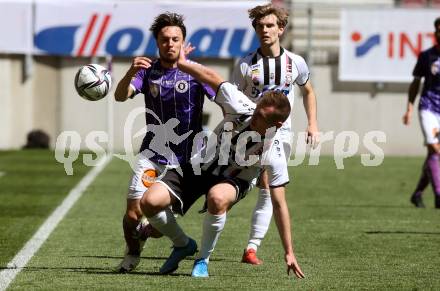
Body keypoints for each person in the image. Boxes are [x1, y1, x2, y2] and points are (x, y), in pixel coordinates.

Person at [139, 43, 306, 279]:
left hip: (232, 180)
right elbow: (213, 77)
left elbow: (279, 204)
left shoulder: (275, 151)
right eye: (257, 110)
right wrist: (184, 63)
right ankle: (183, 244)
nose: (255, 115)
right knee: (149, 202)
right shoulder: (241, 106)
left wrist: (289, 252)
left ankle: (202, 260)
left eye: (261, 116)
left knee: (217, 197)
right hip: (199, 166)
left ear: (277, 125)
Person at [113, 12, 214, 273]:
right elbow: (120, 96)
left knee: (156, 224)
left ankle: (178, 242)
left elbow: (223, 96)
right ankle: (132, 255)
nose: (170, 44)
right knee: (132, 215)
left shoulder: (196, 72)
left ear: (183, 42)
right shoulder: (147, 72)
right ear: (157, 42)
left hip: (187, 161)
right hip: (154, 153)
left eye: (175, 39)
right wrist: (131, 71)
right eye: (164, 39)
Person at [231, 3, 319, 264]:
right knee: (229, 185)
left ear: (281, 29)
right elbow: (232, 99)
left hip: (280, 134)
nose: (264, 30)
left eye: (269, 25)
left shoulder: (296, 63)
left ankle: (252, 247)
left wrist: (312, 123)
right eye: (259, 26)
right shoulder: (246, 64)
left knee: (268, 187)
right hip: (249, 133)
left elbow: (309, 91)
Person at [403, 17, 440, 209]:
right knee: (435, 149)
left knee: (434, 154)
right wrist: (409, 107)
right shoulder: (426, 56)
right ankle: (439, 194)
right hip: (428, 107)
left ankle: (417, 194)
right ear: (436, 33)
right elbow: (416, 83)